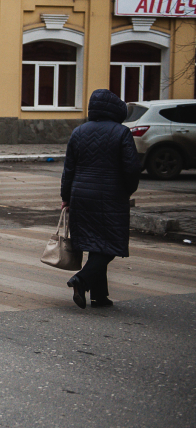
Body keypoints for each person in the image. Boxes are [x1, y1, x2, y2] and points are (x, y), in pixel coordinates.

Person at [61, 89, 141, 309]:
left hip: (81, 195)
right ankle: (82, 279)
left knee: (96, 244)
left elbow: (69, 169)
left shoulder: (78, 132)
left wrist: (66, 197)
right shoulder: (121, 133)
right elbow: (132, 168)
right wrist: (128, 190)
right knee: (109, 245)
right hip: (110, 196)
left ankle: (99, 296)